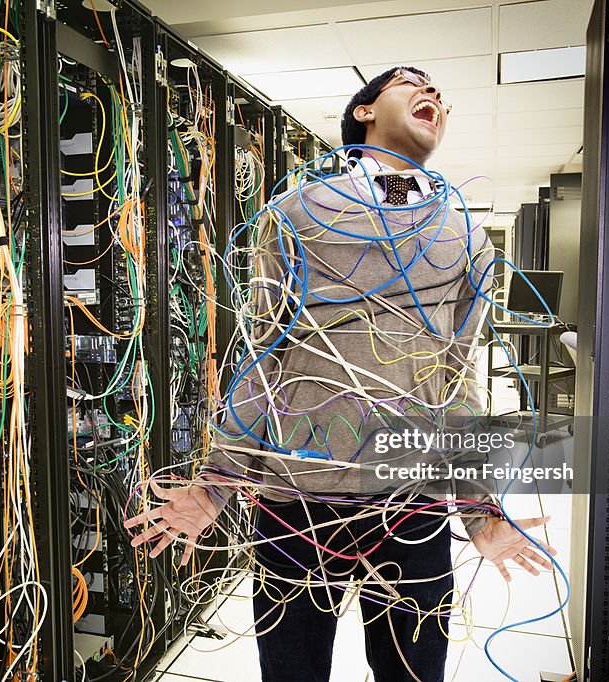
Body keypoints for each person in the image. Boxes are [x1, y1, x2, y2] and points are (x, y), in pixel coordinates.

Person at [125, 66, 556, 682]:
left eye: (440, 91)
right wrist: (217, 483)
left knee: (413, 674)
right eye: (412, 82)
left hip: (412, 495)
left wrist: (478, 507)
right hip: (299, 493)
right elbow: (262, 355)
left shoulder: (464, 232)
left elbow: (460, 373)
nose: (433, 94)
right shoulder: (296, 213)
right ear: (363, 111)